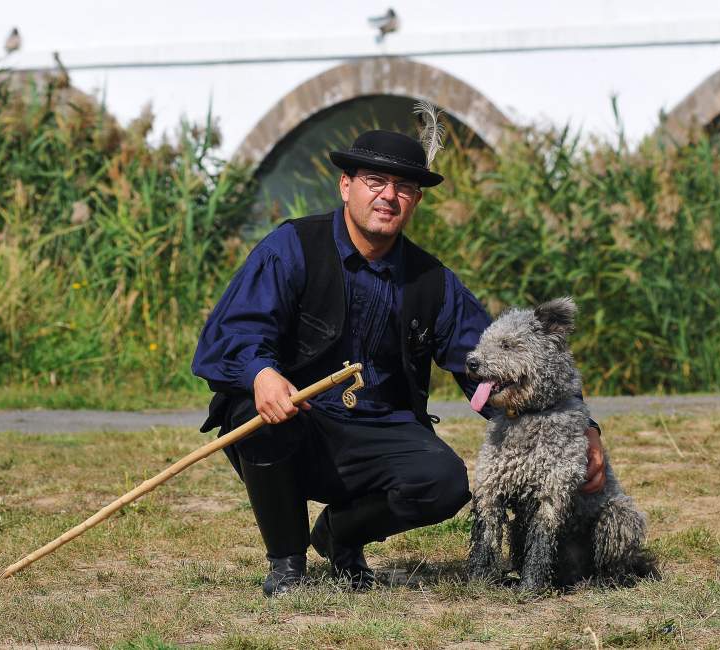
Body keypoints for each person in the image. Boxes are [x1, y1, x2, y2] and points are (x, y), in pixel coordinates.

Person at [192, 129, 606, 597]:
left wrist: (582, 426)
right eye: (375, 181)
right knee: (251, 412)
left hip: (379, 433)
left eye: (404, 187)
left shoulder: (435, 282)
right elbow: (229, 336)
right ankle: (287, 565)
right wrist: (262, 375)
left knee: (444, 482)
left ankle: (340, 533)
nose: (389, 196)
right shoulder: (290, 247)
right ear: (345, 186)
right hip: (296, 424)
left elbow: (501, 367)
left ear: (416, 202)